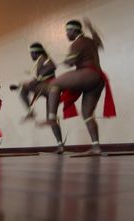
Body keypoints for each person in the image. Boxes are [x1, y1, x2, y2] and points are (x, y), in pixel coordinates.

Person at [39, 18, 116, 156]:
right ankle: (96, 146)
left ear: (75, 30)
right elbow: (99, 43)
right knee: (87, 114)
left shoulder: (77, 43)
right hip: (98, 79)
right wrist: (91, 28)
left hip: (88, 73)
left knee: (54, 84)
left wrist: (66, 60)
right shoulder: (89, 41)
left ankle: (51, 117)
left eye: (68, 31)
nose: (66, 34)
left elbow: (71, 62)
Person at [10, 43, 65, 154]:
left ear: (36, 52)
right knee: (51, 119)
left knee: (51, 119)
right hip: (47, 89)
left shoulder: (43, 58)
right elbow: (37, 80)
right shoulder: (40, 60)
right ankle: (60, 145)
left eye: (31, 53)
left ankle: (31, 112)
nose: (31, 55)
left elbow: (52, 66)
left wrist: (37, 79)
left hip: (50, 88)